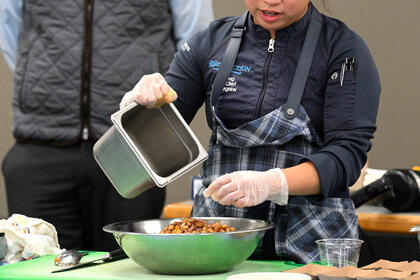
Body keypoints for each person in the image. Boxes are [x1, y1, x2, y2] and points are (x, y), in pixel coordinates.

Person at [120, 0, 381, 263]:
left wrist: (273, 183)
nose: (270, 1)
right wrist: (142, 106)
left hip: (311, 247)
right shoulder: (208, 43)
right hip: (220, 246)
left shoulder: (343, 49)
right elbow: (161, 135)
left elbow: (346, 157)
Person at [0, 0, 214, 251]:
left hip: (134, 148)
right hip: (40, 141)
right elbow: (8, 24)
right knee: (37, 268)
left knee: (126, 269)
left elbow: (193, 42)